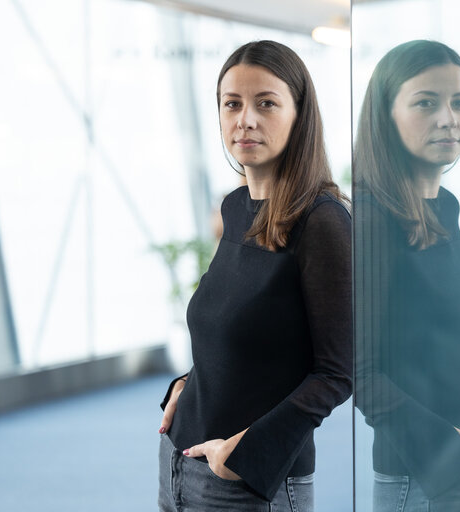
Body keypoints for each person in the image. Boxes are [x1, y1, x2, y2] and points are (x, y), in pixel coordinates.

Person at [157, 40, 352, 512]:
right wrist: (187, 383)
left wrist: (242, 454)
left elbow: (339, 371)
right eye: (232, 103)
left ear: (299, 114)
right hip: (178, 465)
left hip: (247, 483)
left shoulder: (322, 220)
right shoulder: (234, 207)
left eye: (266, 103)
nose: (245, 119)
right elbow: (230, 323)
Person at [354, 40, 460, 511]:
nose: (448, 118)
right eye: (426, 103)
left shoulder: (442, 209)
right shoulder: (372, 222)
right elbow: (360, 372)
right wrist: (454, 450)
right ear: (385, 115)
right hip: (423, 477)